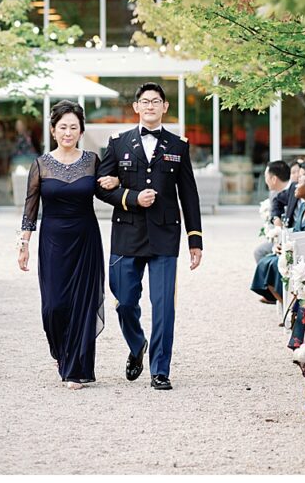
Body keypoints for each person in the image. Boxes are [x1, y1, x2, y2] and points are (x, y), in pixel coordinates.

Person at [95, 82, 202, 391]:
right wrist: (130, 196)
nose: (151, 106)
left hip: (165, 234)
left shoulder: (179, 145)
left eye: (156, 101)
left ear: (165, 107)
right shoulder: (117, 143)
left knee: (164, 304)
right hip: (127, 231)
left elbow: (189, 195)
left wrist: (195, 239)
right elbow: (101, 187)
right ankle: (136, 343)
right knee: (125, 301)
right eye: (145, 101)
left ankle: (160, 370)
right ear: (136, 107)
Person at [19, 100, 106, 389]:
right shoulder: (41, 164)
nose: (68, 132)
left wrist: (126, 191)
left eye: (73, 127)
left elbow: (108, 191)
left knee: (83, 303)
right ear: (53, 130)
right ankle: (61, 353)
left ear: (81, 131)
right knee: (53, 307)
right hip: (53, 240)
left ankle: (75, 368)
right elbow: (30, 207)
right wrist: (24, 243)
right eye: (63, 127)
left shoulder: (93, 160)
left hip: (85, 238)